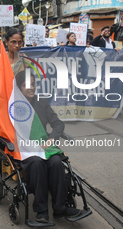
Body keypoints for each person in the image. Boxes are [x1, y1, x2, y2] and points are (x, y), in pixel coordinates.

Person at [13, 70, 82, 222]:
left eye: (33, 84)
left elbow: (58, 124)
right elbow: (4, 130)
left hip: (44, 147)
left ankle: (59, 208)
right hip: (25, 150)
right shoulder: (13, 106)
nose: (31, 88)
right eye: (26, 85)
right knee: (37, 164)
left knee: (57, 163)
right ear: (18, 88)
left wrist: (52, 138)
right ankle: (41, 211)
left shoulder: (41, 102)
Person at [0, 28, 26, 103]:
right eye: (13, 42)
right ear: (6, 42)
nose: (17, 45)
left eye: (20, 42)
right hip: (3, 101)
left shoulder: (25, 61)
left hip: (21, 101)